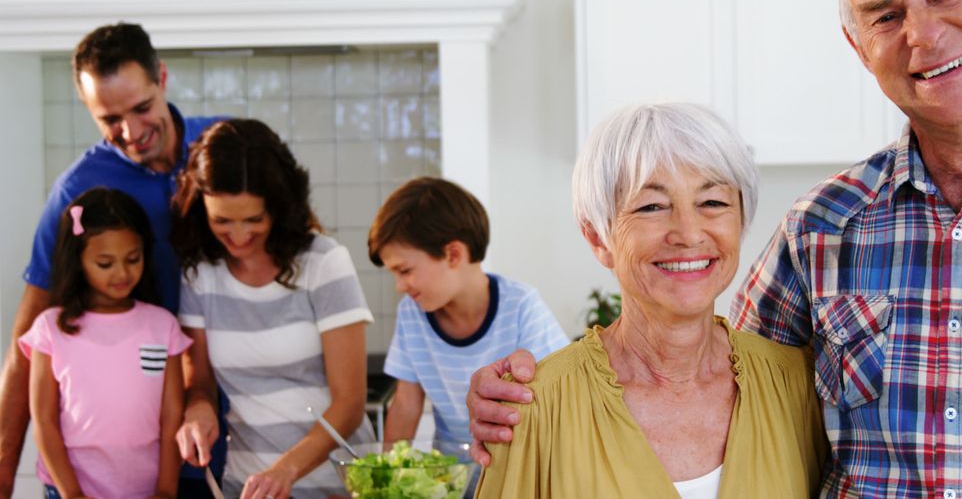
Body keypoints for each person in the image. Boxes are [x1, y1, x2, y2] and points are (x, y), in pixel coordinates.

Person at [471, 0, 962, 496]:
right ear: (859, 46)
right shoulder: (820, 229)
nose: (920, 34)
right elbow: (725, 384)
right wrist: (520, 398)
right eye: (885, 16)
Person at [473, 103, 828, 498]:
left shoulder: (800, 386)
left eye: (712, 202)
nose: (689, 233)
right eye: (651, 207)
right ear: (598, 238)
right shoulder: (531, 407)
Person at [0, 22, 225, 498]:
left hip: (231, 431)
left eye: (142, 108)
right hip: (107, 470)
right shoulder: (76, 190)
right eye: (109, 119)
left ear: (161, 78)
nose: (132, 132)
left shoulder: (221, 147)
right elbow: (29, 332)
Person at [171, 119, 376, 499]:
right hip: (247, 485)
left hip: (340, 485)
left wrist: (285, 470)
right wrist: (197, 412)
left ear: (278, 208)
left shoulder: (322, 262)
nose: (238, 235)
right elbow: (198, 383)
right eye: (221, 220)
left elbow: (350, 404)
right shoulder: (200, 274)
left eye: (254, 219)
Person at [367, 176, 569, 451]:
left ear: (453, 254)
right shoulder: (411, 314)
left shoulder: (521, 306)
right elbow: (405, 404)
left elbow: (559, 402)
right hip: (451, 483)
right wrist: (386, 478)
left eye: (405, 271)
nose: (400, 286)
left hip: (513, 479)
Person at [18, 188, 189, 499]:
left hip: (147, 490)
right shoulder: (50, 329)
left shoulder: (162, 326)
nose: (122, 273)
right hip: (69, 490)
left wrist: (166, 490)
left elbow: (171, 417)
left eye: (132, 259)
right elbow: (44, 420)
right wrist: (72, 494)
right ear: (78, 260)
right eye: (105, 263)